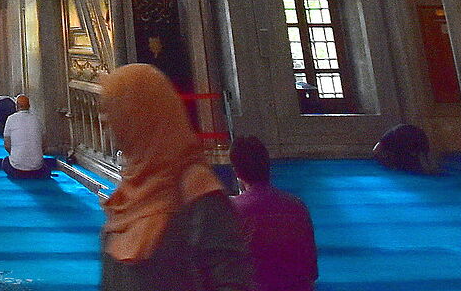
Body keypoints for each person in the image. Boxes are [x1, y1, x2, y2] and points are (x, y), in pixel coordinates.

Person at [97, 64, 251, 291]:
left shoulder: (197, 192)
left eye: (115, 112)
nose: (106, 123)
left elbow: (232, 283)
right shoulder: (129, 193)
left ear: (141, 117)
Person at [226, 137, 316, 291]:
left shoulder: (230, 211)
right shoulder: (297, 206)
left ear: (237, 173)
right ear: (268, 166)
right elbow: (310, 270)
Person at [2, 92, 48, 179]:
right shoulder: (37, 119)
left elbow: (7, 145)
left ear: (17, 106)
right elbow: (44, 145)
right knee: (43, 166)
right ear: (29, 106)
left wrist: (16, 156)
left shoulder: (11, 119)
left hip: (16, 169)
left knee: (5, 162)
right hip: (37, 167)